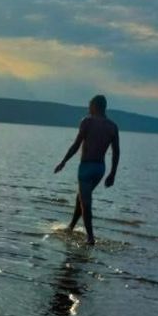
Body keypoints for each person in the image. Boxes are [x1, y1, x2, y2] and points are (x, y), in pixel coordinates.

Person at [54, 95, 119, 245]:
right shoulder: (113, 126)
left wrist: (63, 161)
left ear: (95, 106)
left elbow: (76, 144)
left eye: (90, 105)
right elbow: (116, 152)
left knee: (86, 202)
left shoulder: (87, 122)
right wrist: (112, 174)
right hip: (100, 169)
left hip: (86, 167)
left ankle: (90, 237)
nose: (88, 108)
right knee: (81, 197)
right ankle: (71, 226)